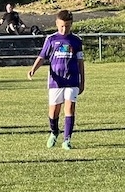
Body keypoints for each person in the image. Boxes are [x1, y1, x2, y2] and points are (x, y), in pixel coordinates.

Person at [28, 9, 85, 150]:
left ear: (71, 24)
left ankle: (67, 140)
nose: (64, 29)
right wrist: (33, 69)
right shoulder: (51, 39)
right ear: (57, 24)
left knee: (69, 108)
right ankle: (54, 132)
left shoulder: (76, 40)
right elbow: (42, 57)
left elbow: (80, 62)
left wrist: (82, 81)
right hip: (56, 81)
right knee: (53, 112)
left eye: (67, 26)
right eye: (62, 26)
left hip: (72, 79)